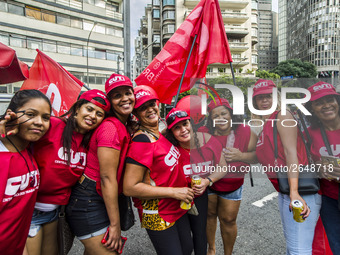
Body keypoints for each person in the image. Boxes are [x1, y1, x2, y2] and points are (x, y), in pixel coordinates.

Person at [25, 89, 110, 255]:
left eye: (99, 114)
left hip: (56, 213)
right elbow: (20, 135)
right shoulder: (54, 125)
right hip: (30, 209)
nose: (93, 116)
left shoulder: (92, 140)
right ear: (77, 108)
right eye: (90, 109)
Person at [66, 74, 136, 255]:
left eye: (128, 93)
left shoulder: (123, 125)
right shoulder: (110, 127)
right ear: (111, 102)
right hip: (89, 199)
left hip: (98, 197)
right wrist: (115, 225)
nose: (125, 99)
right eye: (117, 95)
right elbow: (106, 178)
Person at [123, 86, 194, 255]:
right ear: (136, 113)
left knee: (187, 248)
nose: (149, 109)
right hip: (158, 212)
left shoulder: (159, 133)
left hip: (176, 205)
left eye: (151, 104)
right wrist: (175, 192)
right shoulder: (142, 140)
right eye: (142, 107)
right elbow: (130, 187)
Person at [253, 79, 321, 254]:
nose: (265, 100)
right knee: (293, 246)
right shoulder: (266, 124)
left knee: (299, 249)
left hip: (299, 190)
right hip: (285, 190)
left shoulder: (282, 116)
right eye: (260, 97)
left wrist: (294, 191)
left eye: (269, 95)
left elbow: (292, 154)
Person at [164, 101, 229, 255]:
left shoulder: (209, 141)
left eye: (185, 124)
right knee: (184, 241)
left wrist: (207, 181)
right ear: (171, 132)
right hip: (176, 200)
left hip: (199, 197)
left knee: (200, 235)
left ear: (191, 124)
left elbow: (223, 167)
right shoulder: (168, 148)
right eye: (176, 128)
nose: (183, 130)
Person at [0, 90, 51, 255]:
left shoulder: (27, 149)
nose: (39, 122)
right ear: (11, 115)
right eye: (31, 114)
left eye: (46, 118)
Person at [205, 98, 257, 255]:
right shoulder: (204, 132)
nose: (220, 118)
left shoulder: (245, 131)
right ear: (211, 119)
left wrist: (241, 155)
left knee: (228, 220)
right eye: (215, 116)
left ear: (231, 114)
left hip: (232, 185)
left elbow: (258, 157)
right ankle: (211, 249)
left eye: (224, 113)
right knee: (209, 215)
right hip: (208, 184)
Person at [305, 81, 340, 254]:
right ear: (312, 109)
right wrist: (319, 168)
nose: (326, 105)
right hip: (329, 200)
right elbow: (301, 161)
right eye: (319, 102)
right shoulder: (308, 133)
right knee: (336, 244)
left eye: (330, 99)